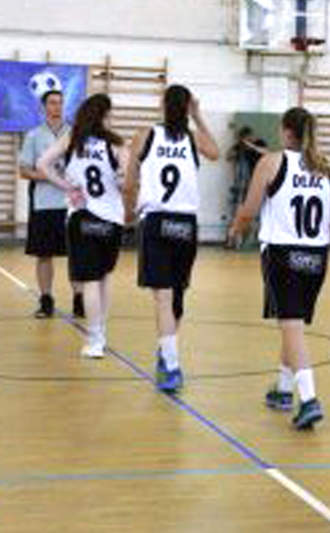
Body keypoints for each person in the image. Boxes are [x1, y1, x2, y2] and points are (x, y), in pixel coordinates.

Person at [229, 107, 330, 430]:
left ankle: (309, 399)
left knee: (291, 326)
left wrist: (236, 229)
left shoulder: (272, 162)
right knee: (293, 325)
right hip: (317, 256)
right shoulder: (328, 169)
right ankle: (282, 389)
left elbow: (249, 210)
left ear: (287, 131)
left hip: (283, 253)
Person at [124, 84, 219, 393]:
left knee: (163, 298)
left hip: (156, 219)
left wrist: (128, 213)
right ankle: (168, 354)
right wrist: (198, 116)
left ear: (163, 105)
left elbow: (129, 182)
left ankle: (172, 364)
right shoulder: (192, 138)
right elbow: (215, 152)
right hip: (186, 224)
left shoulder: (145, 135)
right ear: (187, 107)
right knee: (176, 296)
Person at [37, 94, 128, 359]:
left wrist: (67, 186)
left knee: (89, 281)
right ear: (105, 116)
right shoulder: (117, 143)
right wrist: (120, 181)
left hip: (82, 217)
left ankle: (93, 340)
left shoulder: (72, 139)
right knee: (104, 278)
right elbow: (126, 181)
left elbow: (42, 164)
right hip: (111, 219)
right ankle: (102, 333)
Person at [19, 90, 84, 319]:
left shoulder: (76, 134)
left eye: (60, 103)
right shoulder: (34, 135)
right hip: (44, 204)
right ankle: (46, 300)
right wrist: (50, 176)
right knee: (44, 254)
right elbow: (24, 170)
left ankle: (79, 299)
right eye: (52, 103)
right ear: (44, 107)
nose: (57, 107)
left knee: (76, 254)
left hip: (72, 204)